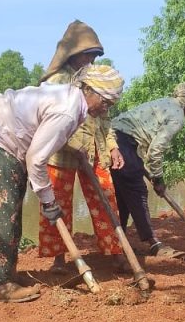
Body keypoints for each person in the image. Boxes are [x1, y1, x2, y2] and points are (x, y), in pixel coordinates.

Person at [0, 65, 125, 302]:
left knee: (11, 212)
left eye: (111, 104)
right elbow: (36, 160)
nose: (106, 108)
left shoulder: (72, 102)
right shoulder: (68, 110)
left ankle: (8, 275)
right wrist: (48, 201)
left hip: (5, 141)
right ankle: (0, 284)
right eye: (106, 102)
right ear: (90, 91)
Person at [38, 21, 128, 272]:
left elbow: (105, 117)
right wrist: (72, 146)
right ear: (73, 53)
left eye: (94, 56)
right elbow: (50, 119)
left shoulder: (97, 78)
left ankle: (115, 253)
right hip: (61, 151)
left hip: (94, 149)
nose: (90, 60)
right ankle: (59, 259)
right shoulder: (57, 80)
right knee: (58, 203)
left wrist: (112, 146)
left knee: (105, 200)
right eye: (88, 55)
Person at [110, 82, 185, 256]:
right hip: (123, 144)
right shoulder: (177, 116)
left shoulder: (166, 102)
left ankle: (119, 245)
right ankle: (154, 244)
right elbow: (156, 150)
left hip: (114, 139)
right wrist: (158, 179)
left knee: (124, 196)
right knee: (137, 192)